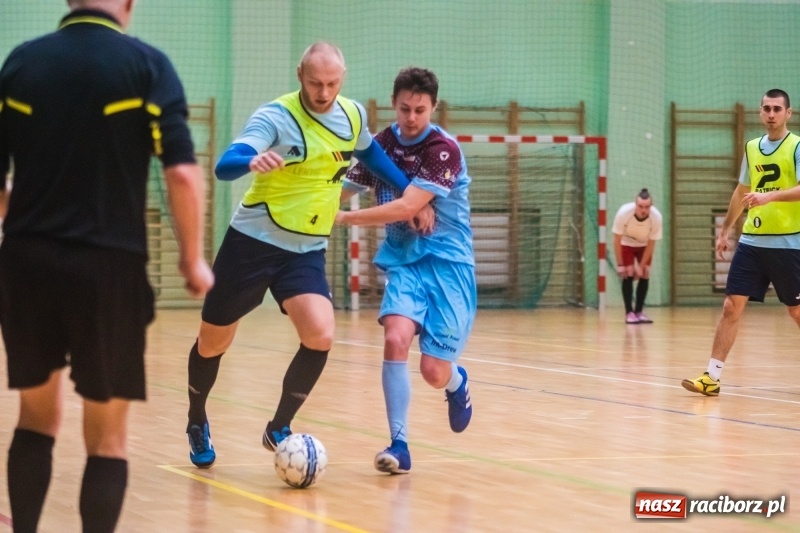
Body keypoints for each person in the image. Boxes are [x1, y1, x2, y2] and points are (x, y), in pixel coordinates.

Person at [0, 0, 214, 531]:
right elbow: (184, 176)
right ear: (128, 4)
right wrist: (192, 261)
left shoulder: (22, 64)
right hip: (109, 268)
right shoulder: (147, 67)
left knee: (36, 417)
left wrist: (24, 216)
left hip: (27, 263)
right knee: (107, 436)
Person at [185, 42, 426, 468]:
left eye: (332, 82)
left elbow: (371, 154)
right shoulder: (276, 116)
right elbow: (226, 164)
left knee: (320, 334)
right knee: (212, 343)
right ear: (300, 75)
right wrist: (252, 159)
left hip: (306, 248)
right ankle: (196, 418)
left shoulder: (352, 115)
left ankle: (278, 426)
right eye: (315, 82)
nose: (323, 91)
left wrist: (411, 190)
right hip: (253, 243)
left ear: (343, 78)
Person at [336, 66, 476, 474]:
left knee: (433, 370)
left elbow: (405, 207)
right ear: (394, 104)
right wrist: (311, 194)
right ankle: (399, 445)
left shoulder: (443, 149)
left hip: (449, 267)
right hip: (404, 263)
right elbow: (348, 185)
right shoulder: (382, 142)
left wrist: (342, 219)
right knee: (395, 338)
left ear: (433, 107)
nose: (411, 118)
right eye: (404, 109)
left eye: (420, 109)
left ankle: (456, 383)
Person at [682, 88, 800, 397]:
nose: (771, 114)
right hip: (752, 243)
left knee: (796, 312)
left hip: (789, 244)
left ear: (788, 113)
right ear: (760, 112)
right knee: (731, 306)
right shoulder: (752, 148)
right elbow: (742, 190)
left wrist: (770, 195)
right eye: (766, 108)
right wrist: (725, 230)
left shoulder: (797, 147)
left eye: (777, 109)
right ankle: (712, 377)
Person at [612, 188, 663, 324]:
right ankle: (629, 313)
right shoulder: (624, 213)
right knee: (628, 272)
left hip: (644, 244)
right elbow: (617, 239)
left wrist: (641, 266)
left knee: (645, 272)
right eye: (640, 206)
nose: (643, 210)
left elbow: (652, 243)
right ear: (636, 205)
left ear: (651, 206)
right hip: (627, 242)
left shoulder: (656, 218)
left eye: (646, 207)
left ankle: (639, 312)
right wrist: (620, 265)